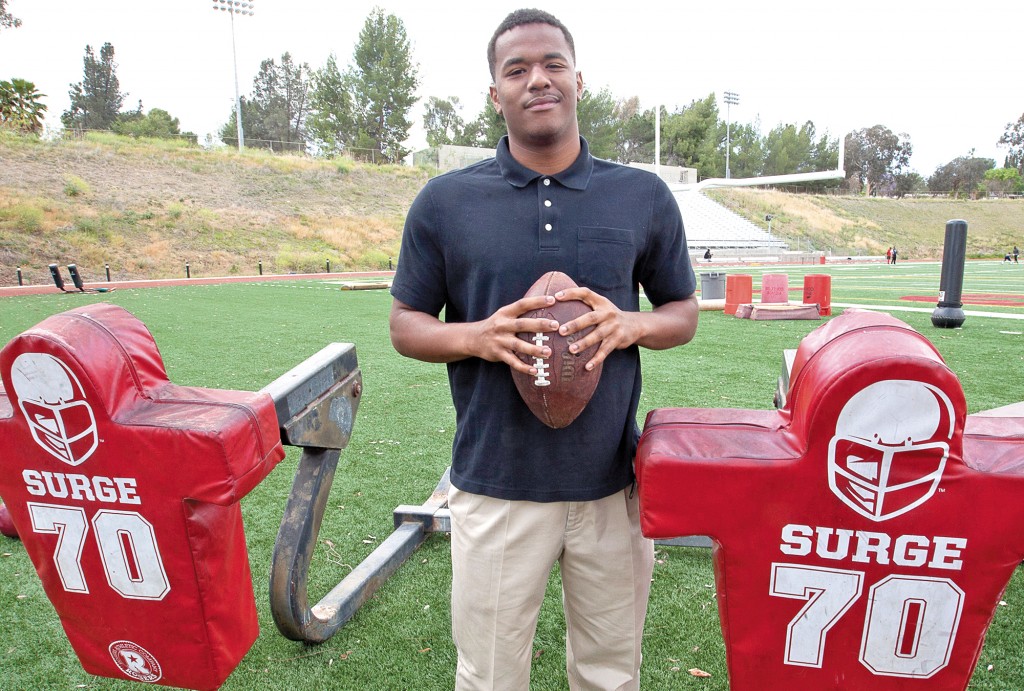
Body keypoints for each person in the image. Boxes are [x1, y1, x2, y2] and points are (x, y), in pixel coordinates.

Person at [389, 9, 698, 689]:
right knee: (491, 676)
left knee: (611, 674)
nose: (538, 79)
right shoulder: (446, 200)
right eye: (517, 69)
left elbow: (683, 312)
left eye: (553, 63)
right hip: (496, 484)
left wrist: (630, 324)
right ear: (494, 93)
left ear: (578, 79)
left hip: (611, 485)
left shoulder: (640, 194)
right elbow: (405, 323)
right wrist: (478, 335)